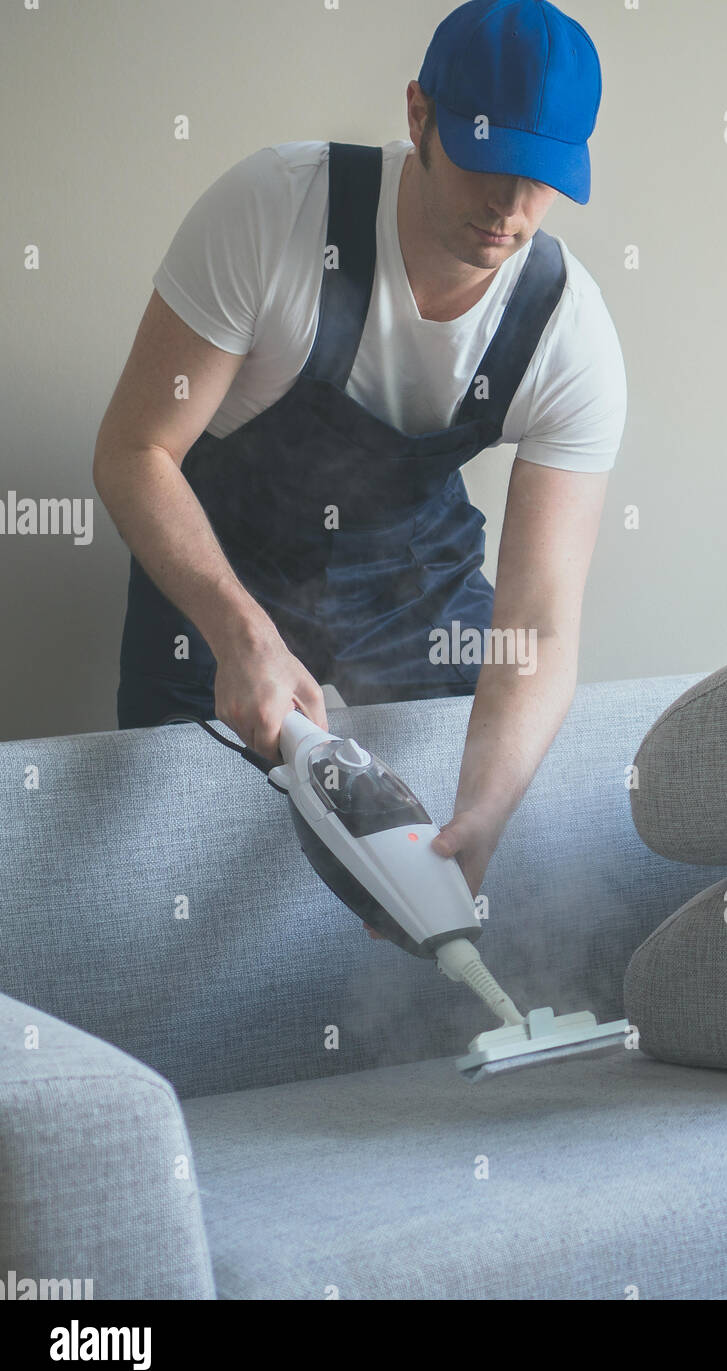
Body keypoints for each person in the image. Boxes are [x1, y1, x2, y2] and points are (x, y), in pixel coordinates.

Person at [93, 0, 626, 900]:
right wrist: (241, 632)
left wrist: (486, 812)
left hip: (414, 582)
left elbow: (538, 625)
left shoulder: (568, 334)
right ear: (419, 115)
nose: (509, 204)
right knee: (167, 860)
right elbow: (133, 451)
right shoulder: (275, 210)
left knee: (475, 822)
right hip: (219, 569)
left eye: (541, 178)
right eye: (488, 158)